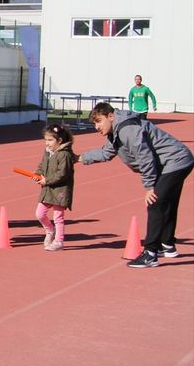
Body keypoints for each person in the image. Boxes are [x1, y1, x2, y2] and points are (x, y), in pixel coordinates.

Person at [79, 103, 193, 268]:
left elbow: (145, 157)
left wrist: (149, 187)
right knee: (166, 202)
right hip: (176, 161)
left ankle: (150, 254)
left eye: (99, 121)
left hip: (175, 161)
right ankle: (167, 245)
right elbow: (106, 153)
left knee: (155, 203)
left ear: (111, 116)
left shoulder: (127, 130)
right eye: (94, 123)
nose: (96, 127)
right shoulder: (117, 131)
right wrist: (78, 158)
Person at [33, 123, 75, 252]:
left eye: (50, 140)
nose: (47, 143)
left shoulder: (65, 155)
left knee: (58, 217)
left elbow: (62, 174)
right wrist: (38, 174)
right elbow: (42, 165)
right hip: (47, 189)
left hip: (60, 190)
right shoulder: (48, 152)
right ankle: (49, 229)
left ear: (60, 140)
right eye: (45, 139)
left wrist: (47, 180)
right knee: (39, 214)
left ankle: (59, 241)